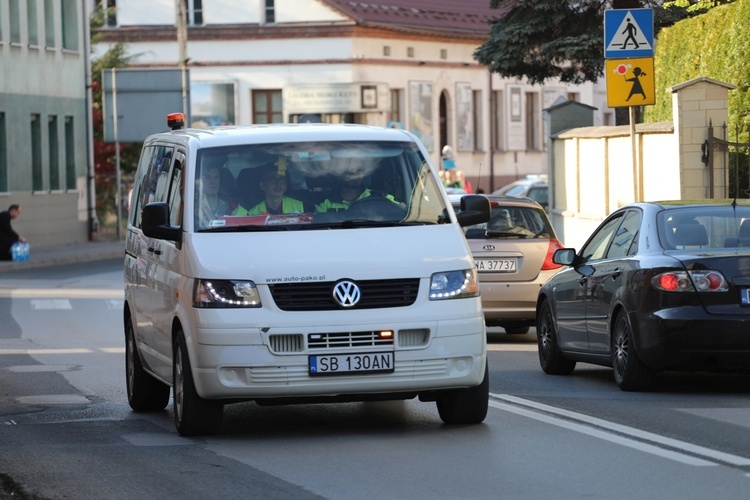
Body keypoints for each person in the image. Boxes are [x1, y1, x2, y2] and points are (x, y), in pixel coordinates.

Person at [315, 165, 399, 213]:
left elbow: (402, 211)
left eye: (359, 171)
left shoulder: (380, 197)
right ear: (339, 176)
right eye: (350, 172)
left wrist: (402, 208)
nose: (355, 175)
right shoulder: (325, 203)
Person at [234, 165, 305, 215]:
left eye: (282, 179)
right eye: (272, 179)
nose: (278, 183)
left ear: (286, 186)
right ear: (262, 185)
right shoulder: (249, 210)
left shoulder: (303, 206)